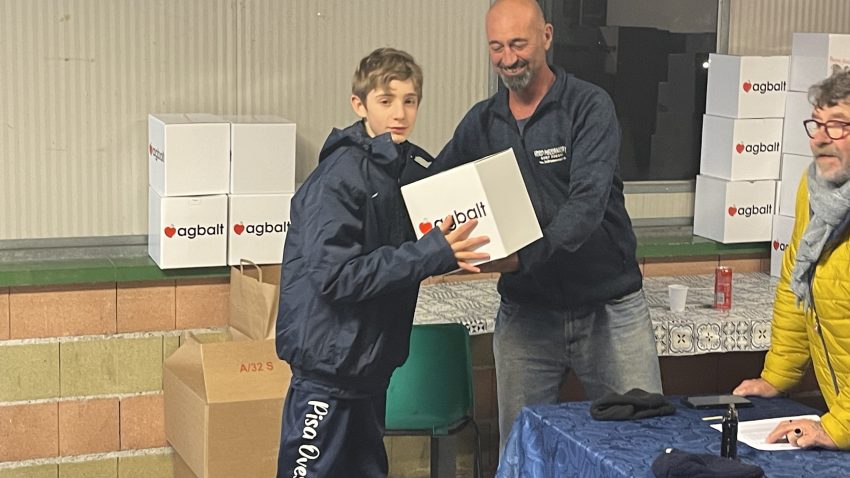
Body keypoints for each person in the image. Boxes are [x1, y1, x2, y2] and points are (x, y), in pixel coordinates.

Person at [433, 0, 662, 451]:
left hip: (609, 308)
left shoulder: (588, 106)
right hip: (527, 314)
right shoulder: (482, 121)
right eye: (496, 47)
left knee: (643, 443)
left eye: (518, 44)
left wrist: (521, 258)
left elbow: (586, 206)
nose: (507, 58)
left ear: (547, 37)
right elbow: (435, 187)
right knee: (522, 451)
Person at [274, 47, 490, 477]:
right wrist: (431, 253)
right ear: (359, 105)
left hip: (369, 369)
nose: (400, 113)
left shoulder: (401, 171)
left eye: (410, 101)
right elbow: (336, 277)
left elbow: (399, 260)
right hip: (328, 372)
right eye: (386, 100)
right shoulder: (339, 178)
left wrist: (447, 251)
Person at [733, 68, 850, 450]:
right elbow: (796, 284)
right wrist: (778, 376)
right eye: (816, 123)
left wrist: (839, 427)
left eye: (838, 126)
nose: (820, 138)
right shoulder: (815, 189)